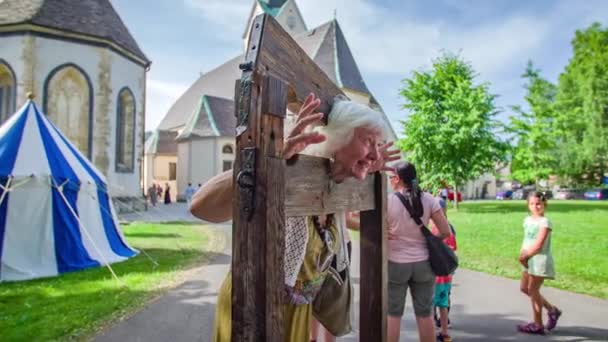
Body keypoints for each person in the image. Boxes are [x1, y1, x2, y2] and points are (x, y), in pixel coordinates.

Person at [190, 93, 398, 342]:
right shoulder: (290, 169)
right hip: (253, 308)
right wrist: (266, 162)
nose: (376, 154)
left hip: (297, 313)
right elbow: (200, 206)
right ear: (339, 136)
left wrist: (367, 166)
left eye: (377, 145)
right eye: (369, 142)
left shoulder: (337, 187)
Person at [386, 162, 451, 342]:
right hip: (424, 264)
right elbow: (446, 232)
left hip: (396, 263)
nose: (390, 181)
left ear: (398, 179)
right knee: (425, 314)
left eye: (391, 178)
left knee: (393, 314)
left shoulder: (389, 201)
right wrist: (430, 241)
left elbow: (378, 230)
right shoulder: (430, 199)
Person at [517, 192, 561, 335]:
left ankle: (538, 324)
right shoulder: (527, 220)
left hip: (539, 259)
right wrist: (522, 254)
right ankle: (552, 310)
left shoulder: (545, 222)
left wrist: (526, 256)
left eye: (538, 204)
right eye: (532, 204)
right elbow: (527, 240)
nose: (535, 206)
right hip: (527, 258)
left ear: (544, 205)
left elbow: (539, 245)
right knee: (524, 288)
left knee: (533, 290)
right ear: (528, 205)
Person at [431, 198, 457, 342]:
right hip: (446, 275)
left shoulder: (434, 231)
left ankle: (430, 329)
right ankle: (444, 331)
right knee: (443, 302)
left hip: (435, 276)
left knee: (429, 303)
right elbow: (453, 252)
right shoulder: (450, 229)